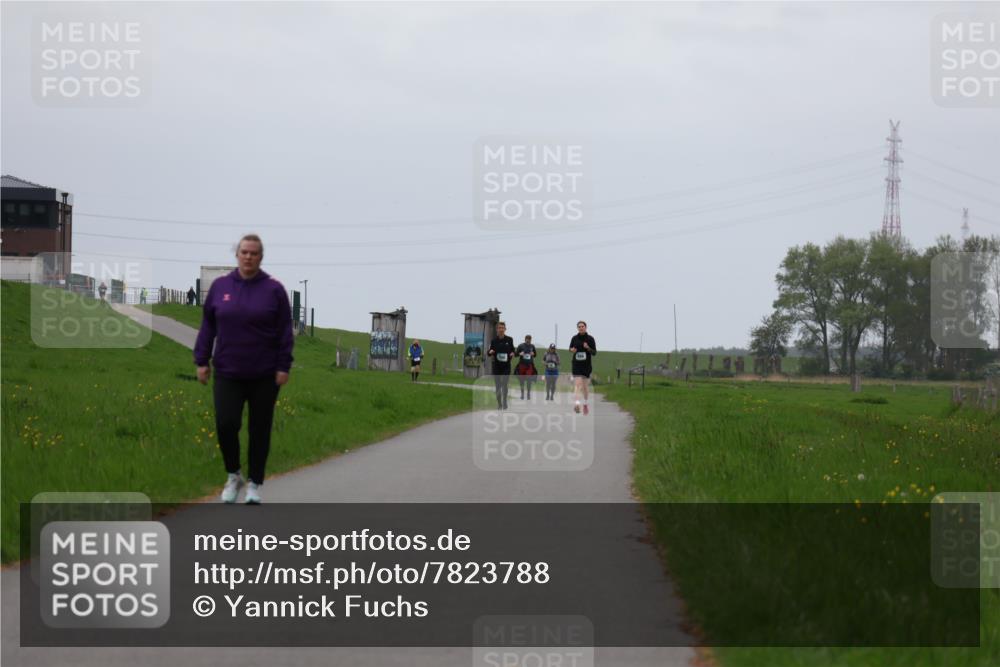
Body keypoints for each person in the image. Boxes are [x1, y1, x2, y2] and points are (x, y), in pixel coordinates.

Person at [194, 233, 294, 505]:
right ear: (237, 255)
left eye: (254, 253)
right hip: (228, 370)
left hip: (264, 373)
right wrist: (202, 361)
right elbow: (208, 327)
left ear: (261, 257)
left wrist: (284, 365)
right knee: (226, 424)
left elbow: (285, 331)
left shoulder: (273, 289)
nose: (248, 257)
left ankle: (254, 483)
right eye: (244, 252)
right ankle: (233, 474)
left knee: (259, 429)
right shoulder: (221, 287)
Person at [568, 320, 597, 415]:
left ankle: (585, 404)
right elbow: (570, 348)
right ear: (577, 328)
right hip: (576, 365)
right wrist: (572, 350)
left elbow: (594, 353)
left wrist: (588, 347)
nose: (581, 328)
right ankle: (577, 404)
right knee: (578, 385)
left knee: (585, 387)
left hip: (586, 366)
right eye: (579, 326)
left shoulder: (590, 339)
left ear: (585, 327)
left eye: (582, 326)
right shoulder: (574, 338)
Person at [487, 321, 516, 410]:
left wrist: (512, 353)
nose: (501, 330)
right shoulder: (494, 341)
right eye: (499, 328)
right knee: (498, 385)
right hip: (497, 366)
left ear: (505, 329)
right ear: (497, 330)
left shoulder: (509, 340)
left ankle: (504, 402)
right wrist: (490, 352)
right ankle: (499, 403)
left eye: (502, 328)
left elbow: (513, 350)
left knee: (504, 384)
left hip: (506, 366)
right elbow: (489, 352)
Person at [514, 334, 538, 399]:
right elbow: (515, 354)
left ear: (531, 340)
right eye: (527, 339)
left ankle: (528, 394)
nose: (528, 340)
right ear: (525, 339)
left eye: (529, 339)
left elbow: (535, 354)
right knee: (521, 380)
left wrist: (533, 354)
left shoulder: (532, 346)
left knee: (529, 380)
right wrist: (519, 354)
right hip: (522, 365)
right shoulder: (521, 346)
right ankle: (522, 394)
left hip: (529, 365)